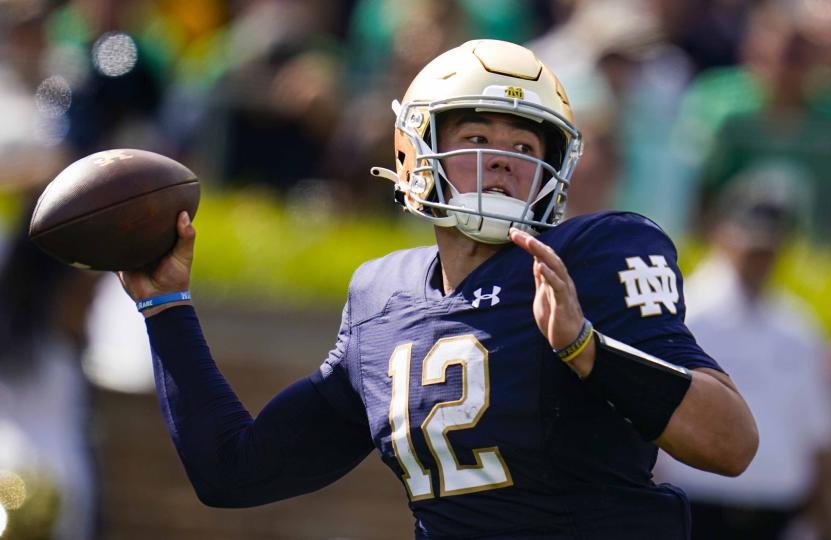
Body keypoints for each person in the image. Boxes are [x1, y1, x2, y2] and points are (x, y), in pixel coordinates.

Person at [117, 39, 758, 539]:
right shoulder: (381, 295)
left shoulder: (595, 254)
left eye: (524, 143)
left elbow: (730, 443)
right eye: (476, 138)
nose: (503, 158)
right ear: (415, 152)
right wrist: (164, 306)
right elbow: (237, 471)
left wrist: (586, 348)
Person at [655, 177, 831, 539]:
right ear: (722, 234)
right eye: (753, 243)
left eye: (771, 245)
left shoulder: (799, 328)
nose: (761, 256)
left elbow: (818, 438)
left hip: (775, 516)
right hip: (695, 510)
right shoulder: (684, 315)